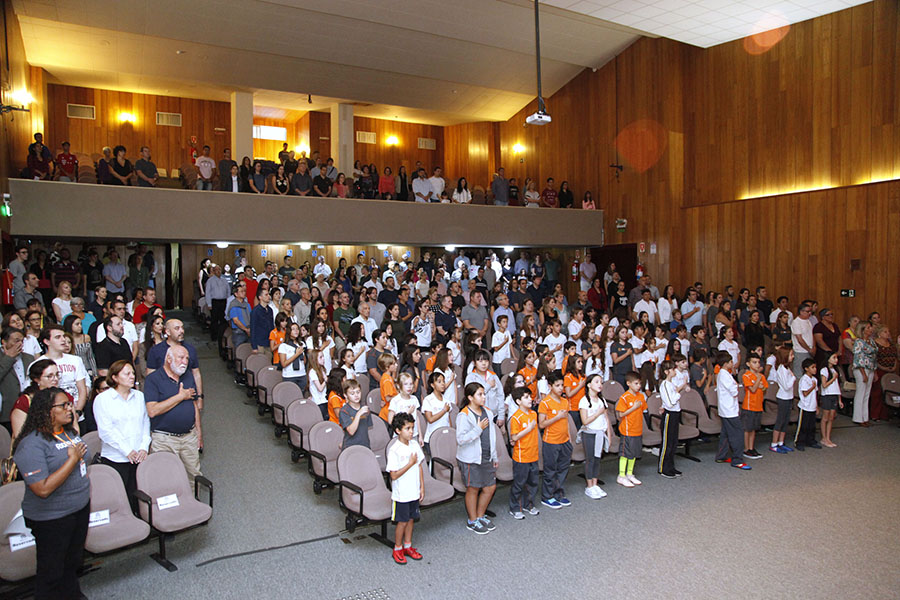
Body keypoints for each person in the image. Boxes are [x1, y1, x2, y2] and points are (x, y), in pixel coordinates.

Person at [12, 387, 91, 600]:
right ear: (47, 410)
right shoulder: (31, 444)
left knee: (72, 563)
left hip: (79, 509)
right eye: (63, 405)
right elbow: (43, 489)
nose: (70, 409)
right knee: (52, 572)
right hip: (52, 518)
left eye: (70, 404)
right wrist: (72, 459)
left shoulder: (68, 433)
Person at [93, 360, 149, 510]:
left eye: (133, 373)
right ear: (115, 377)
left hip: (138, 456)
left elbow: (145, 423)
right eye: (127, 374)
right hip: (116, 458)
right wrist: (127, 451)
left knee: (139, 498)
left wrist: (144, 447)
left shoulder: (139, 396)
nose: (132, 376)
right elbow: (106, 431)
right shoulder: (103, 399)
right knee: (120, 500)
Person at [144, 345, 202, 486]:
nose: (185, 362)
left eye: (187, 358)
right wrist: (180, 396)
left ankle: (192, 499)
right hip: (164, 439)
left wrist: (199, 433)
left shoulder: (188, 376)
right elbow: (152, 410)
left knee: (193, 476)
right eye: (181, 358)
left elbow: (194, 405)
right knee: (165, 479)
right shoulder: (153, 379)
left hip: (189, 437)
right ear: (169, 359)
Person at [456, 382, 497, 535]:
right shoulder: (464, 415)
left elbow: (492, 436)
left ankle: (480, 515)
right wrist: (478, 429)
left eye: (484, 394)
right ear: (470, 397)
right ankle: (472, 520)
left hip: (486, 456)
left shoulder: (488, 412)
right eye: (480, 394)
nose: (484, 397)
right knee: (473, 488)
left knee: (490, 487)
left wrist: (494, 455)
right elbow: (461, 439)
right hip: (470, 458)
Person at [386, 412, 424, 564]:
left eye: (412, 428)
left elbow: (419, 466)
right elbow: (394, 475)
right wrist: (409, 463)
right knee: (402, 522)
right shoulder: (394, 450)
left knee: (411, 519)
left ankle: (408, 546)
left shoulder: (414, 445)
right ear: (398, 430)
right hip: (402, 494)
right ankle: (397, 548)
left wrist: (422, 487)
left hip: (414, 491)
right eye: (407, 428)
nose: (411, 431)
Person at [537, 372, 572, 508]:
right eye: (557, 385)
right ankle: (547, 496)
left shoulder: (565, 401)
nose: (561, 388)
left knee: (563, 469)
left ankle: (559, 493)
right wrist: (556, 417)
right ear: (550, 386)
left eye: (562, 385)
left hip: (564, 441)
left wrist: (569, 439)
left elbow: (566, 422)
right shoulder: (545, 403)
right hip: (551, 441)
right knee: (550, 470)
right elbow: (541, 424)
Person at [713, 351, 751, 470]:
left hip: (726, 409)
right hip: (729, 410)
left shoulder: (724, 374)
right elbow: (734, 391)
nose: (732, 363)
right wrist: (736, 385)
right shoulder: (724, 375)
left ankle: (721, 455)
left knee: (725, 433)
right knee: (737, 434)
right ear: (725, 363)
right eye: (730, 362)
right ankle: (737, 460)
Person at [579, 374, 610, 497]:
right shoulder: (584, 401)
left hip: (600, 433)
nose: (600, 384)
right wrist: (597, 413)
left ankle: (595, 484)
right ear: (589, 385)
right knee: (590, 459)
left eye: (601, 382)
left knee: (597, 459)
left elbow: (606, 418)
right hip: (589, 434)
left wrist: (609, 435)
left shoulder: (602, 400)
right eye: (596, 382)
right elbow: (585, 421)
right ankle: (589, 486)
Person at [614, 372, 647, 487]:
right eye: (636, 383)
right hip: (627, 431)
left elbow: (643, 409)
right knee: (625, 454)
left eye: (640, 383)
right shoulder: (624, 398)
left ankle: (629, 473)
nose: (639, 386)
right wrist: (633, 407)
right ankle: (621, 475)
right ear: (628, 383)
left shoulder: (641, 396)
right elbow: (620, 415)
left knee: (634, 453)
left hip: (638, 429)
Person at [0, 327, 35, 429]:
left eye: (22, 341)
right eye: (16, 341)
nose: (20, 344)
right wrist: (8, 358)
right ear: (4, 342)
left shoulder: (29, 358)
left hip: (29, 410)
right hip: (6, 411)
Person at [656, 360, 682, 478]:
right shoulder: (665, 384)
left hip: (676, 414)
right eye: (672, 369)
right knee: (667, 443)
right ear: (666, 372)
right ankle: (663, 468)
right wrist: (678, 392)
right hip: (669, 415)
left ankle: (671, 466)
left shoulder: (671, 384)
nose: (674, 370)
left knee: (673, 442)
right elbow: (670, 402)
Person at [740, 355, 767, 460]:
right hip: (749, 406)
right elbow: (753, 389)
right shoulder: (746, 375)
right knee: (747, 429)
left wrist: (760, 384)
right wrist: (758, 380)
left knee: (753, 429)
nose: (757, 365)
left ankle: (751, 448)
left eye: (758, 362)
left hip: (758, 405)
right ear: (748, 364)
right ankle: (746, 449)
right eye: (754, 362)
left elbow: (764, 388)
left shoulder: (762, 376)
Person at [851, 321, 876, 426]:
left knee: (867, 393)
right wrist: (863, 374)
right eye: (868, 328)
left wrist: (874, 371)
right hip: (861, 368)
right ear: (862, 330)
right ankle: (858, 418)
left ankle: (865, 417)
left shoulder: (871, 341)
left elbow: (874, 357)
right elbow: (858, 358)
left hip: (870, 368)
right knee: (861, 392)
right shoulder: (859, 341)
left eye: (871, 327)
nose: (871, 329)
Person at [421, 371, 452, 452]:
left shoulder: (446, 400)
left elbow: (448, 420)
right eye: (439, 382)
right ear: (432, 385)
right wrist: (444, 410)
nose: (443, 384)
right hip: (432, 438)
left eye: (443, 381)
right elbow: (430, 419)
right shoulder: (428, 400)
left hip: (445, 437)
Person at [794, 358, 821, 450]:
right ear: (806, 369)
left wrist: (816, 406)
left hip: (812, 406)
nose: (815, 369)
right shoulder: (804, 380)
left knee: (811, 426)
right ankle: (799, 442)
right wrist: (812, 387)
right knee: (803, 425)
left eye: (815, 367)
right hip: (805, 406)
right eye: (812, 367)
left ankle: (810, 440)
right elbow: (805, 393)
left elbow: (815, 394)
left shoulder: (814, 379)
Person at [819, 352, 843, 447]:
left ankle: (828, 438)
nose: (836, 360)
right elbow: (824, 385)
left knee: (831, 418)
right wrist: (833, 378)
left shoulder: (835, 370)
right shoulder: (824, 370)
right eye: (834, 358)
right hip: (827, 395)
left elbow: (837, 386)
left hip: (834, 395)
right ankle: (824, 438)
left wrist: (839, 399)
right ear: (828, 359)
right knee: (825, 417)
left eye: (836, 358)